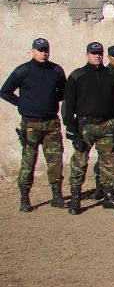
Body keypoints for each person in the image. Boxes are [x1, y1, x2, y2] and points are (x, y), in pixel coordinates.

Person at [0, 38, 66, 212]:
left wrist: (49, 101)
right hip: (30, 124)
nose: (43, 53)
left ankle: (57, 196)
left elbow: (63, 92)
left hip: (52, 122)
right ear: (33, 51)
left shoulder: (56, 70)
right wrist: (23, 104)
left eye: (46, 50)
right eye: (40, 50)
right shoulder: (23, 70)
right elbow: (5, 91)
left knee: (55, 160)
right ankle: (24, 198)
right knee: (28, 161)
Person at [61, 42, 114, 214]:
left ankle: (109, 196)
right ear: (87, 55)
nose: (97, 56)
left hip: (107, 124)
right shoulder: (77, 75)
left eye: (100, 53)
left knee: (108, 162)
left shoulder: (111, 75)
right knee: (79, 161)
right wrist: (71, 128)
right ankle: (75, 198)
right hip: (84, 125)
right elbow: (68, 105)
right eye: (94, 53)